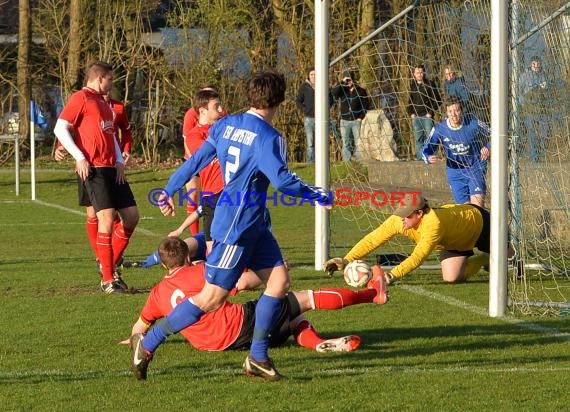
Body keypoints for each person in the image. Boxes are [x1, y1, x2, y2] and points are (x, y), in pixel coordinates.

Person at [130, 70, 333, 382]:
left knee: (279, 282)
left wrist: (169, 189)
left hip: (254, 225)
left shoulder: (226, 124)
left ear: (250, 96)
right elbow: (281, 180)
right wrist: (315, 194)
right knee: (211, 297)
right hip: (235, 228)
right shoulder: (270, 138)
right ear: (279, 100)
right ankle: (148, 344)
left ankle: (258, 357)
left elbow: (195, 161)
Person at [125, 237, 387, 356]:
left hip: (216, 345)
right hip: (241, 325)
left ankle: (317, 344)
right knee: (304, 299)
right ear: (188, 257)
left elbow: (140, 326)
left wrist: (134, 340)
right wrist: (272, 272)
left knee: (295, 319)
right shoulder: (202, 271)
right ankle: (372, 294)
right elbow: (244, 281)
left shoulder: (157, 294)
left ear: (163, 266)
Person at [53, 61, 139, 294]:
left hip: (112, 167)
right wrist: (80, 157)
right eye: (110, 79)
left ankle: (105, 262)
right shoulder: (80, 97)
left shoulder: (103, 103)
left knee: (131, 216)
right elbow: (60, 128)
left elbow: (111, 135)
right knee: (107, 217)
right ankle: (108, 279)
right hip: (94, 168)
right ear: (99, 78)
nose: (112, 83)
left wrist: (120, 161)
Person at [324, 193, 491, 284]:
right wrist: (346, 260)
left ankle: (497, 257)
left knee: (513, 261)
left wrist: (392, 275)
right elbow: (373, 239)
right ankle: (485, 259)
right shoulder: (399, 220)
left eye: (406, 216)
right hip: (452, 241)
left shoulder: (433, 224)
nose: (402, 219)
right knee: (452, 278)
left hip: (478, 225)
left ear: (419, 213)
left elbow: (417, 257)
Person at [422, 97, 490, 207]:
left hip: (475, 167)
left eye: (457, 110)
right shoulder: (440, 129)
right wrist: (428, 157)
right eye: (450, 111)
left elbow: (494, 133)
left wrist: (488, 147)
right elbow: (426, 148)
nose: (453, 114)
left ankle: (485, 222)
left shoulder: (473, 123)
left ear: (461, 111)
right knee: (465, 212)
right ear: (446, 113)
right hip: (455, 173)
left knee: (476, 210)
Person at [183, 88, 225, 248]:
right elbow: (208, 156)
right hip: (212, 194)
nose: (221, 110)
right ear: (203, 110)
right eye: (217, 107)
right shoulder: (194, 136)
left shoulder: (223, 128)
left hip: (231, 190)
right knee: (212, 246)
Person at [295, 67, 338, 163]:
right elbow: (298, 101)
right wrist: (305, 109)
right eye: (311, 74)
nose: (313, 76)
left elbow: (331, 99)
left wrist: (326, 109)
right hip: (309, 119)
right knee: (310, 143)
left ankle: (322, 162)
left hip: (321, 119)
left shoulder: (324, 86)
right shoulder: (304, 87)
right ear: (308, 76)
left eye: (315, 74)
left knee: (322, 142)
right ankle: (311, 163)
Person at [331, 70, 370, 161]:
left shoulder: (361, 91)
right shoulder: (342, 90)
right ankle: (347, 162)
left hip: (356, 120)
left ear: (353, 80)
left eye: (350, 80)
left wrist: (361, 117)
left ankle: (359, 161)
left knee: (359, 142)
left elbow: (366, 105)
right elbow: (334, 93)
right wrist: (342, 82)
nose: (348, 82)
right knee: (346, 143)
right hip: (344, 120)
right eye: (347, 80)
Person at [518, 55, 552, 161]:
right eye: (534, 64)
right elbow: (519, 92)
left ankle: (541, 154)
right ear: (530, 64)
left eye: (538, 64)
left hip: (542, 109)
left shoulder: (544, 76)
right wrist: (524, 105)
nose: (536, 66)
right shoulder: (524, 76)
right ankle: (534, 158)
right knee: (531, 133)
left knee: (544, 132)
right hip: (529, 109)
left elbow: (548, 92)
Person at [407, 64, 441, 160]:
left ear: (424, 73)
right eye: (417, 73)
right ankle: (421, 159)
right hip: (416, 117)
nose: (420, 74)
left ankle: (433, 159)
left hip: (427, 117)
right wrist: (411, 113)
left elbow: (438, 100)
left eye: (421, 72)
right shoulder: (412, 86)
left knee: (430, 139)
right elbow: (409, 102)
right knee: (418, 140)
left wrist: (430, 112)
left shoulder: (430, 84)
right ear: (414, 74)